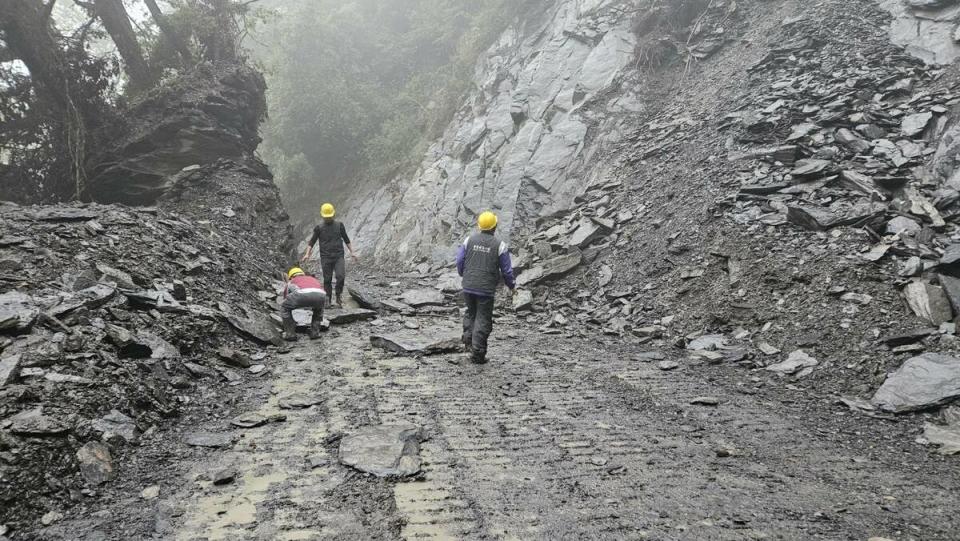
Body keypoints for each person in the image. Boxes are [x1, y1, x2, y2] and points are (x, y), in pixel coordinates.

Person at [456, 210, 516, 364]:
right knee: (483, 317)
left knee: (471, 312)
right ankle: (478, 353)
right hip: (486, 289)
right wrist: (511, 285)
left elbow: (460, 261)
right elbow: (507, 270)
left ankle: (468, 341)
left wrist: (465, 274)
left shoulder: (469, 240)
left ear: (479, 226)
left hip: (468, 285)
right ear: (494, 226)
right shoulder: (500, 245)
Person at [301, 203, 358, 307]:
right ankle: (327, 299)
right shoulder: (319, 228)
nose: (328, 218)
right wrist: (307, 254)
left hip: (338, 256)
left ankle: (338, 296)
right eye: (326, 217)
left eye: (329, 216)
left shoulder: (339, 225)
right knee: (327, 279)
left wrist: (352, 252)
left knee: (340, 276)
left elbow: (346, 239)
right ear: (322, 216)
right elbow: (312, 242)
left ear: (333, 215)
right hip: (326, 257)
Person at [281, 267, 326, 341]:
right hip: (321, 295)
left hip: (300, 295)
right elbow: (320, 288)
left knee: (284, 308)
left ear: (291, 276)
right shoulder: (313, 279)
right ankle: (315, 333)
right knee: (319, 310)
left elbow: (286, 298)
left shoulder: (291, 281)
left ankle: (290, 334)